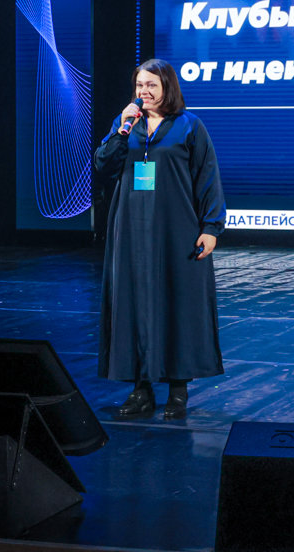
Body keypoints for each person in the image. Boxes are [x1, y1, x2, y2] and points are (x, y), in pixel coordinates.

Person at [93, 59, 226, 420]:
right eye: (140, 85)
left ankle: (178, 390)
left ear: (167, 87)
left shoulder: (189, 126)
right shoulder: (126, 124)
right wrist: (121, 131)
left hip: (176, 227)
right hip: (131, 229)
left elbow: (208, 177)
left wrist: (211, 227)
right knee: (134, 303)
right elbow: (103, 165)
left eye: (151, 85)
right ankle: (141, 389)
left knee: (178, 302)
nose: (144, 92)